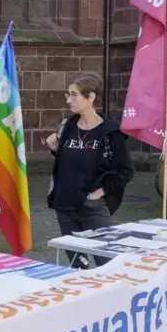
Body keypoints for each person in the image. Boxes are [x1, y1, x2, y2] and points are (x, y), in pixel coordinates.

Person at [44, 72, 135, 269]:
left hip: (93, 208)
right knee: (77, 263)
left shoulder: (110, 132)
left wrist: (100, 193)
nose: (68, 100)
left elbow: (126, 171)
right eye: (68, 94)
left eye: (73, 94)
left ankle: (114, 297)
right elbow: (69, 160)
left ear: (91, 97)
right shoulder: (68, 125)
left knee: (105, 262)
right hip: (65, 205)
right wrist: (56, 149)